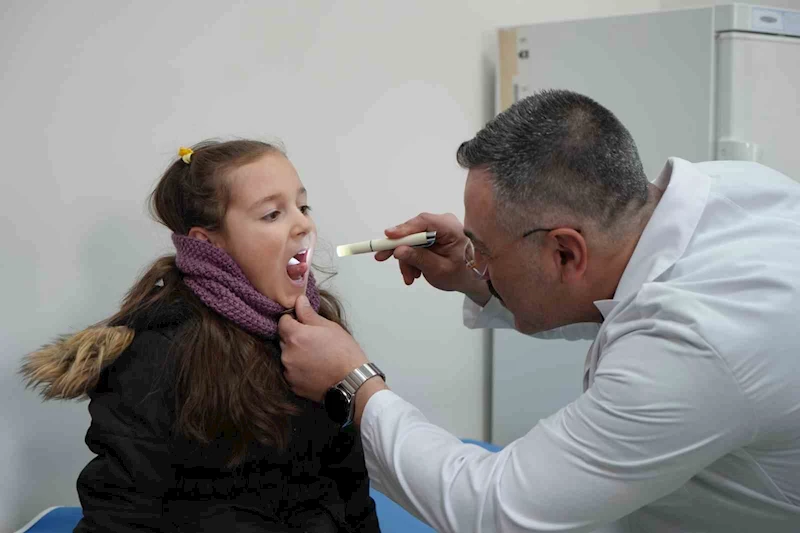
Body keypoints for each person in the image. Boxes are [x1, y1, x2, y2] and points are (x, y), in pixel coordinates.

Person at [278, 90, 800, 532]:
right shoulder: (727, 189)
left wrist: (353, 381)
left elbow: (492, 508)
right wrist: (471, 269)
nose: (474, 257)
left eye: (484, 248)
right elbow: (620, 301)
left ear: (565, 251)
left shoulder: (698, 343)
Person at [22, 140, 380, 533]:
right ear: (207, 243)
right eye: (273, 213)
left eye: (303, 206)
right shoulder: (156, 354)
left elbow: (350, 484)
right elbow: (121, 515)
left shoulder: (322, 330)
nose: (304, 224)